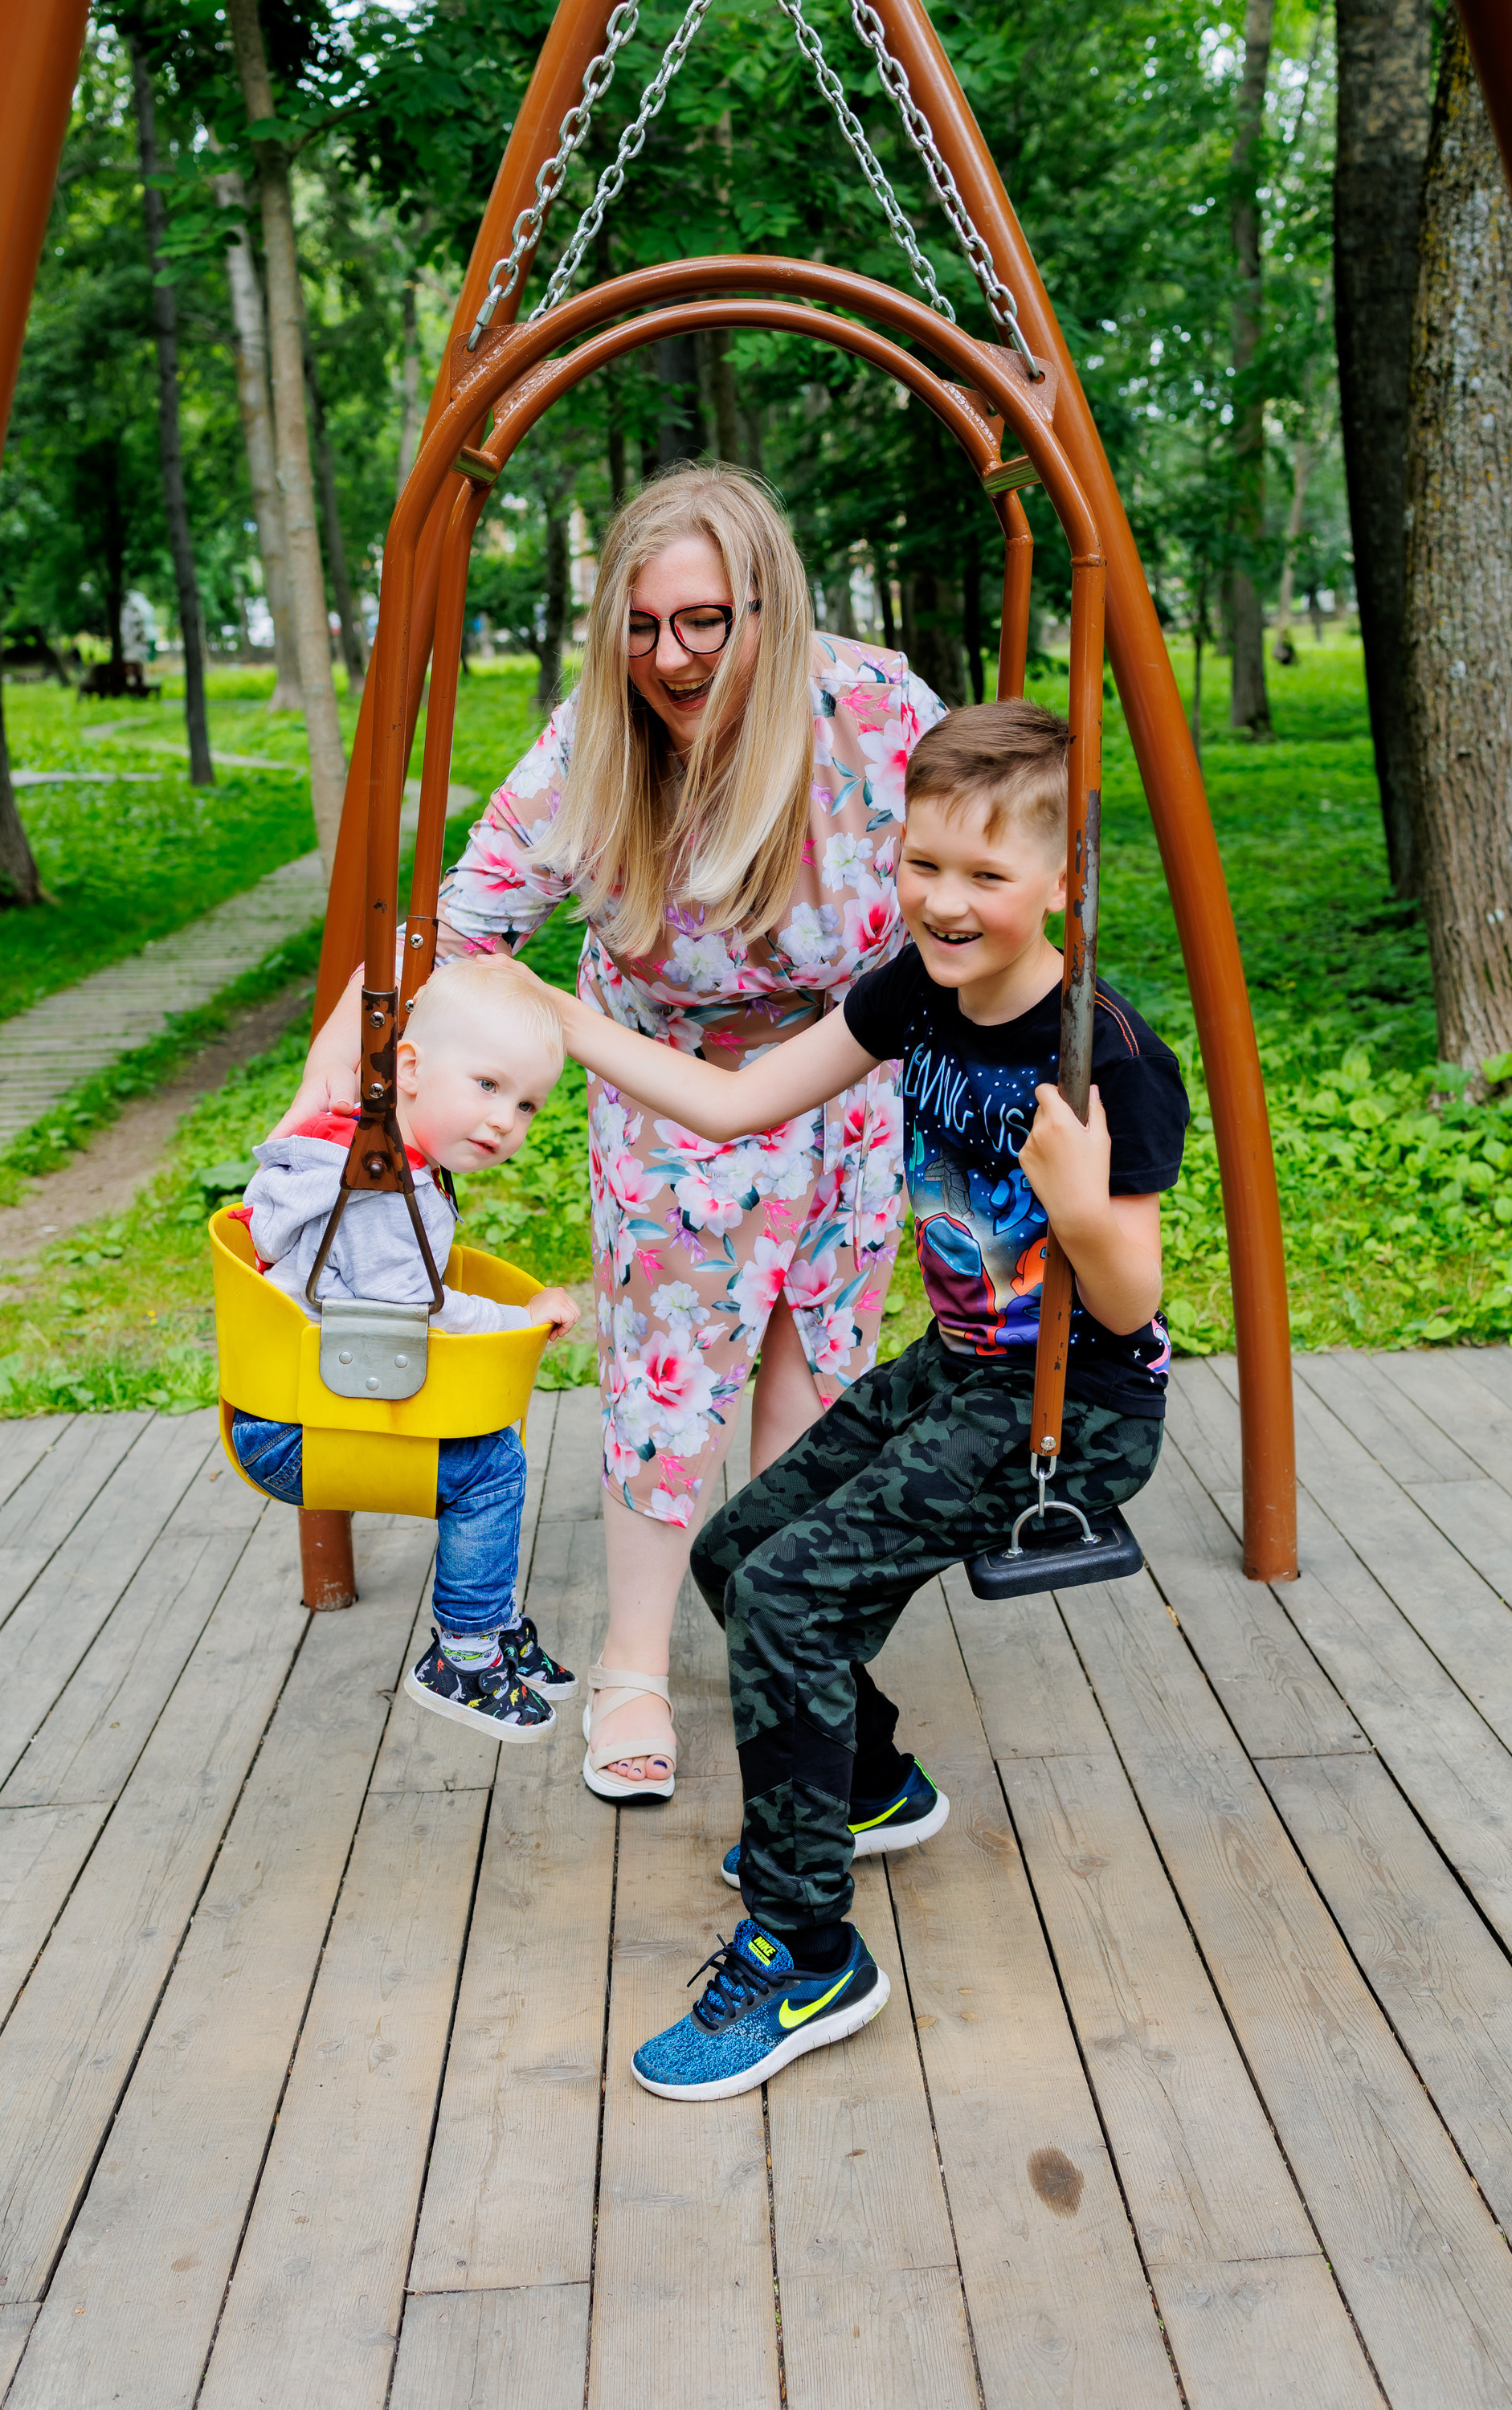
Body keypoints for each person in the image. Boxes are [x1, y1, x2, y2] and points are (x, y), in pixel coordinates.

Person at [510, 698, 1189, 2098]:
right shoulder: (912, 995)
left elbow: (1129, 1308)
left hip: (1072, 1407)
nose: (944, 903)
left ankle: (804, 1948)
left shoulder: (1103, 1054)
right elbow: (737, 1104)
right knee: (733, 1551)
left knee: (794, 1597)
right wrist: (569, 1021)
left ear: (1061, 882)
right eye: (924, 864)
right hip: (962, 1366)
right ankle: (868, 1783)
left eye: (986, 876)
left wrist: (1085, 1207)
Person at [274, 464, 946, 1797]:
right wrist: (319, 1115)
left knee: (813, 1379)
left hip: (849, 1084)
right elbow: (457, 928)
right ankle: (637, 1667)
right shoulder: (596, 744)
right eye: (641, 627)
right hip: (663, 1083)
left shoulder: (878, 712)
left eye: (704, 621)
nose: (670, 656)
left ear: (774, 606)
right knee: (663, 1387)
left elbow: (988, 863)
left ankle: (785, 1650)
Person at [233, 955, 582, 1742]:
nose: (504, 1121)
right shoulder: (377, 1183)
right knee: (491, 1468)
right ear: (413, 1069)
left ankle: (488, 1625)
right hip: (298, 1429)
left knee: (491, 1448)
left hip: (299, 1396)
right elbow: (408, 1312)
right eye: (488, 1086)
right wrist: (520, 1320)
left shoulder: (360, 1137)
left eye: (526, 1104)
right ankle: (463, 1652)